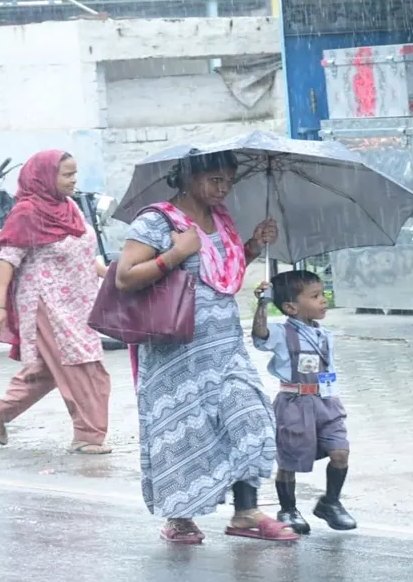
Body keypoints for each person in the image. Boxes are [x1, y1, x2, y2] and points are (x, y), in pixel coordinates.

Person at [114, 150, 298, 544]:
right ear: (187, 178)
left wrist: (250, 246)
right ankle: (179, 519)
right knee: (183, 431)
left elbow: (220, 272)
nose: (223, 188)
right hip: (174, 350)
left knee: (249, 417)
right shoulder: (156, 221)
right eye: (215, 180)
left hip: (224, 346)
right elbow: (126, 277)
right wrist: (176, 253)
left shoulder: (221, 220)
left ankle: (246, 512)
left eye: (228, 181)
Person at [0, 149, 112, 454]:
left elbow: (84, 255)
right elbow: (6, 263)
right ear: (45, 177)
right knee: (82, 367)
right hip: (48, 305)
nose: (73, 180)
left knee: (47, 370)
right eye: (66, 174)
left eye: (74, 174)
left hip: (80, 305)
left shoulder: (69, 208)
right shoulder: (27, 212)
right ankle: (87, 436)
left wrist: (114, 276)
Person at [252, 270, 356, 534]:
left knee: (340, 452)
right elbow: (260, 335)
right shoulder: (281, 332)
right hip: (294, 402)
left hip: (325, 401)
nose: (324, 300)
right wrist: (263, 303)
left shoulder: (324, 334)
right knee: (289, 459)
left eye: (323, 294)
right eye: (315, 296)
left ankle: (330, 503)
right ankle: (288, 509)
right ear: (290, 306)